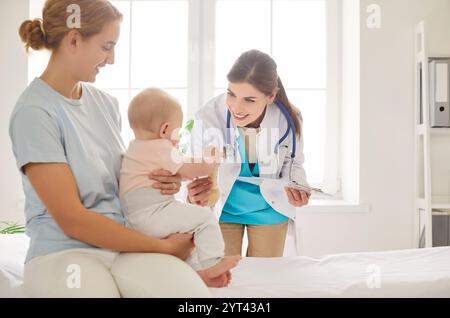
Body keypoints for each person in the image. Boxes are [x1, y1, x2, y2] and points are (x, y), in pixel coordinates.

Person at [9, 0, 210, 297]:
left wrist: (166, 182)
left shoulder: (105, 105)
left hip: (123, 246)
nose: (112, 59)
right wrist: (163, 247)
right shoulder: (35, 112)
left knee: (192, 297)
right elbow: (72, 220)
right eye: (106, 46)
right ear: (74, 39)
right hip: (64, 253)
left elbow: (123, 185)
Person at [187, 50, 310, 258]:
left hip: (269, 209)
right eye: (231, 94)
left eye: (249, 100)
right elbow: (197, 169)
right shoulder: (208, 117)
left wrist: (298, 186)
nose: (236, 107)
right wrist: (193, 193)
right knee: (225, 281)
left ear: (271, 96)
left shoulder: (289, 118)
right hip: (223, 208)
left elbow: (294, 164)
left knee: (264, 282)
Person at [119, 88, 241, 288]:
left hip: (136, 219)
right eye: (178, 130)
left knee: (190, 231)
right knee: (203, 219)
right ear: (165, 129)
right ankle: (213, 263)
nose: (178, 138)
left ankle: (198, 274)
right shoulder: (160, 147)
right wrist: (211, 157)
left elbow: (180, 174)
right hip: (153, 214)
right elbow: (195, 168)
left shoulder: (135, 149)